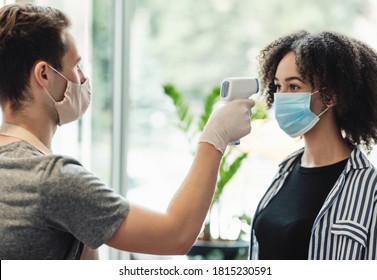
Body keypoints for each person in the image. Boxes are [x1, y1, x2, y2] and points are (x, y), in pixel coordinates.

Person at [0, 3, 255, 260]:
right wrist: (215, 137)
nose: (83, 78)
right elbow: (175, 235)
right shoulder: (52, 179)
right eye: (76, 66)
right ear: (44, 74)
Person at [250, 30, 377, 260]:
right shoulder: (283, 171)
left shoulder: (369, 186)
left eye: (294, 87)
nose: (281, 97)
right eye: (277, 87)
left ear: (330, 96)